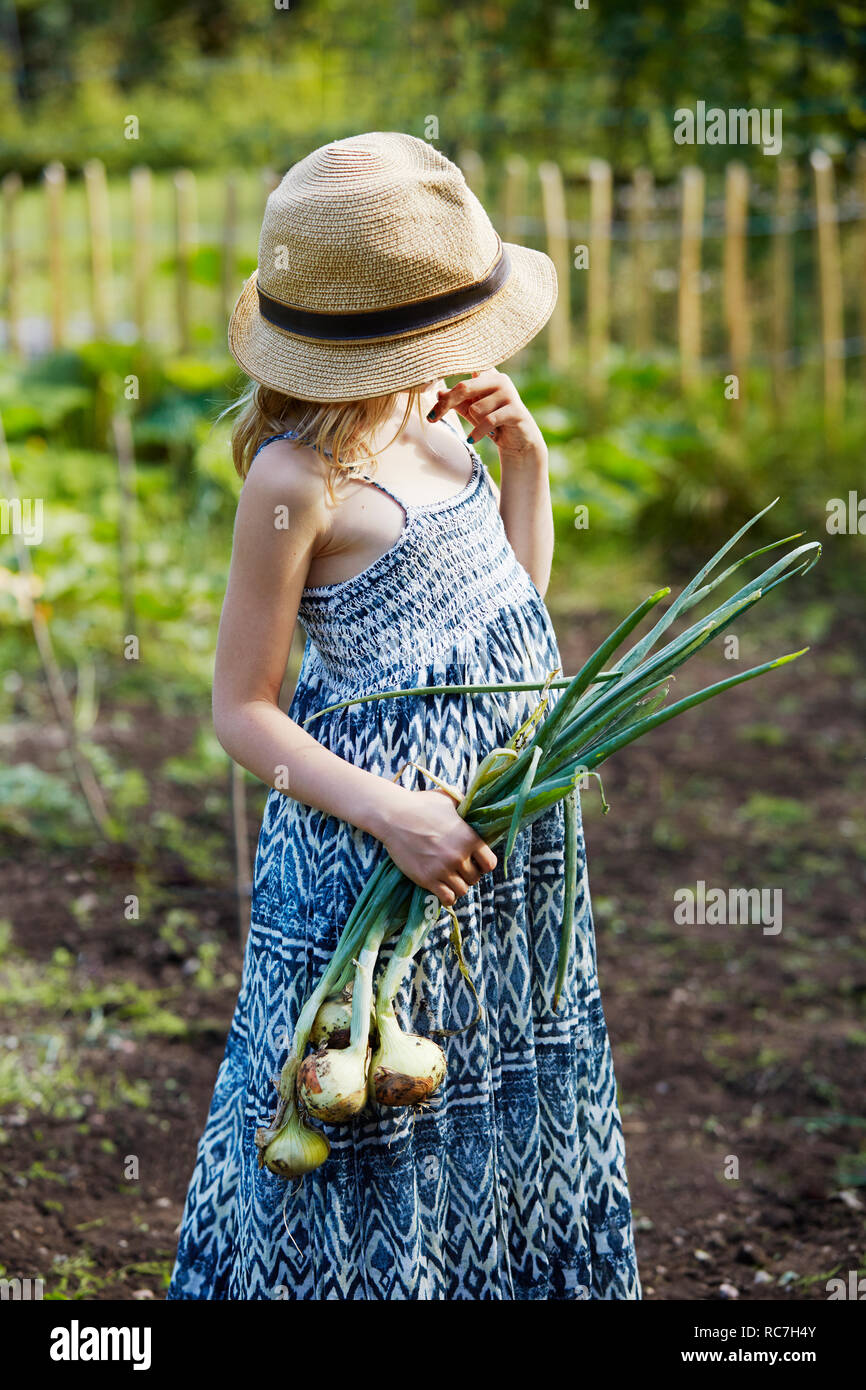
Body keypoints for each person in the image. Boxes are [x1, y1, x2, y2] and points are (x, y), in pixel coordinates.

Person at [167, 131, 640, 1301]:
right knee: (366, 1123)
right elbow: (241, 710)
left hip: (495, 849)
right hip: (371, 859)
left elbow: (501, 624)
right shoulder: (296, 482)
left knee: (491, 1087)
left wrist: (523, 463)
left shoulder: (441, 422)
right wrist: (391, 816)